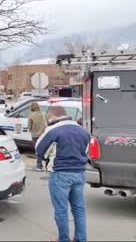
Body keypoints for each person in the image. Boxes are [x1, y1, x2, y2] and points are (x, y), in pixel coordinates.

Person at [36, 106, 90, 242]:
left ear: (52, 117)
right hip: (79, 173)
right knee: (79, 209)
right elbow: (86, 151)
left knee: (61, 210)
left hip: (60, 174)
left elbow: (39, 150)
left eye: (49, 118)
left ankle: (63, 239)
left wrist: (48, 159)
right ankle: (81, 239)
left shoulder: (53, 130)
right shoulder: (83, 131)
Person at [28, 102, 48, 171]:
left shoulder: (31, 116)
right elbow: (48, 123)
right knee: (45, 150)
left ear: (31, 108)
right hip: (44, 135)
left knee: (38, 150)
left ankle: (39, 166)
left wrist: (33, 129)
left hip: (35, 135)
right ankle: (48, 165)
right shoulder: (44, 114)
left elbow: (29, 127)